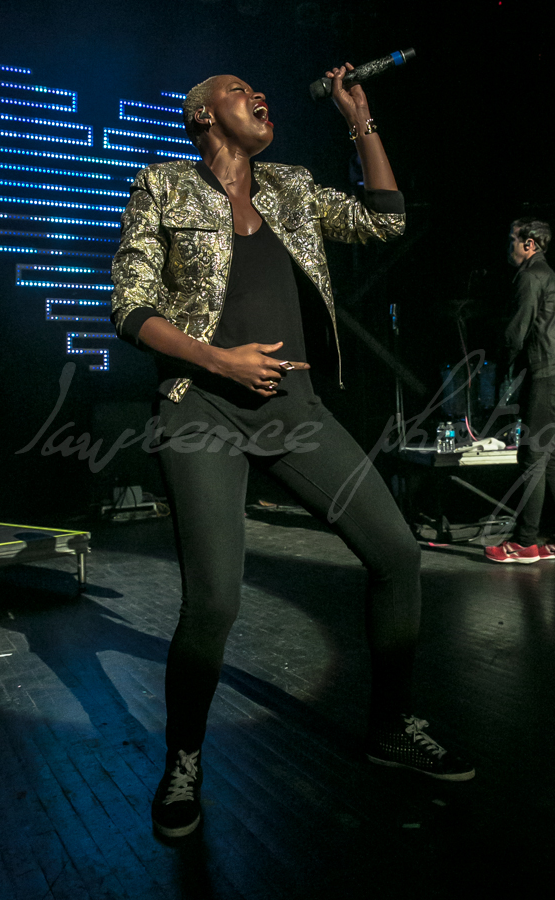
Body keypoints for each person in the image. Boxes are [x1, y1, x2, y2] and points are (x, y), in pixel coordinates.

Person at [111, 65, 475, 839]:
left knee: (396, 554)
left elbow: (384, 221)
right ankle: (183, 759)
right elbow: (130, 307)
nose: (259, 97)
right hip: (202, 409)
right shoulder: (162, 185)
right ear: (204, 114)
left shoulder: (292, 187)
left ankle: (391, 727)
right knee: (215, 602)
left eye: (261, 92)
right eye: (239, 90)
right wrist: (220, 361)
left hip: (296, 410)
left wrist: (359, 119)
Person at [485, 218, 555, 564]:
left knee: (532, 458)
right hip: (552, 373)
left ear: (529, 244)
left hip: (544, 375)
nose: (509, 247)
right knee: (550, 460)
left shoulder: (530, 277)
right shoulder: (550, 274)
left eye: (512, 240)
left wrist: (501, 369)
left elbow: (518, 329)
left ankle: (525, 542)